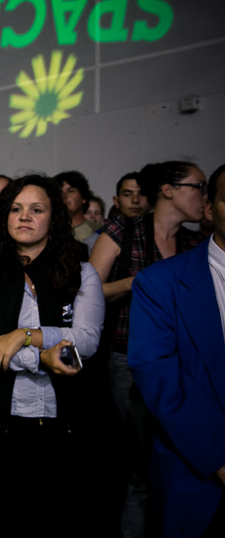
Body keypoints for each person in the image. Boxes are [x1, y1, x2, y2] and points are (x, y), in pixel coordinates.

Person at [0, 174, 104, 538]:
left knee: (57, 516)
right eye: (16, 209)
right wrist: (41, 357)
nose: (24, 217)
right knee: (1, 518)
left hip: (65, 418)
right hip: (1, 418)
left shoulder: (82, 273)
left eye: (36, 209)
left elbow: (86, 340)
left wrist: (25, 336)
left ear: (53, 218)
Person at [89, 161, 207, 537]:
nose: (203, 196)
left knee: (179, 459)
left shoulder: (193, 243)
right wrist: (138, 283)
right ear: (168, 190)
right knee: (140, 468)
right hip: (128, 359)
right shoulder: (124, 229)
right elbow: (88, 292)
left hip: (183, 364)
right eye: (198, 186)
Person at [128, 163, 225, 538]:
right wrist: (216, 455)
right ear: (210, 209)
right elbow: (157, 372)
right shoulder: (160, 282)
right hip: (200, 468)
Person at [54, 170, 101, 242]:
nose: (64, 196)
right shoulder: (46, 230)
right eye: (59, 192)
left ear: (83, 197)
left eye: (70, 191)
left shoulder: (97, 231)